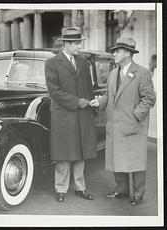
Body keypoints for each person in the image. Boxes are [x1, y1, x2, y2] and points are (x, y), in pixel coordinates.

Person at [90, 37, 156, 206]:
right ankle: (122, 189)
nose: (114, 54)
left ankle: (138, 193)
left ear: (127, 53)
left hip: (134, 126)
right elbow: (109, 95)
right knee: (118, 158)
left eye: (117, 51)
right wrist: (101, 102)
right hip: (115, 125)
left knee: (135, 161)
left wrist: (135, 116)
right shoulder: (113, 73)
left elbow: (149, 98)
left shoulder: (142, 73)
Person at [45, 27, 97, 202]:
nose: (79, 47)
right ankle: (61, 189)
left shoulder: (83, 63)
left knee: (81, 152)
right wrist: (77, 102)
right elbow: (54, 91)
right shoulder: (52, 63)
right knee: (64, 154)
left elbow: (89, 89)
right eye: (76, 44)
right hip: (64, 115)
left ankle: (80, 187)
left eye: (79, 43)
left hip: (82, 114)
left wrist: (92, 104)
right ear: (66, 44)